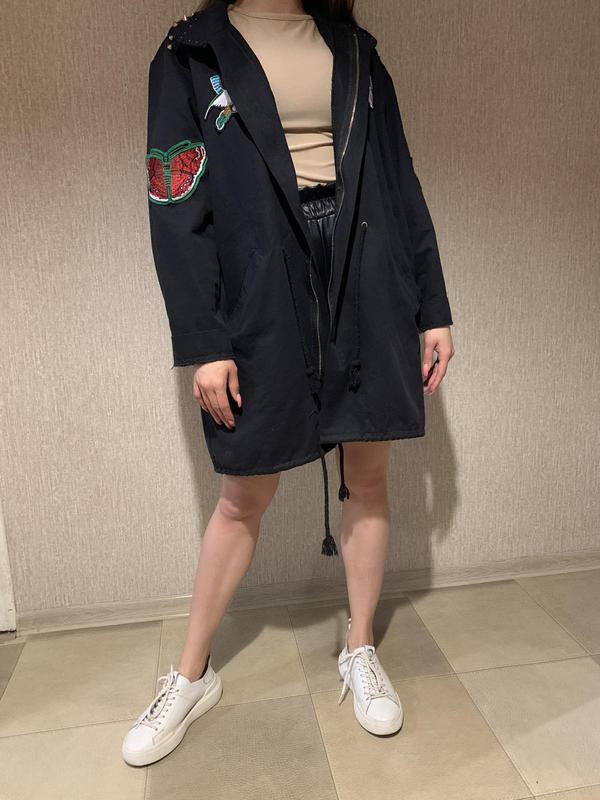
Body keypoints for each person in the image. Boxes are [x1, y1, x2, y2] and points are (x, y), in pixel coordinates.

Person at [122, 0, 455, 766]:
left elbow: (400, 180)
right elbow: (175, 207)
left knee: (367, 473)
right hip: (262, 279)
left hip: (367, 273)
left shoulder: (354, 48)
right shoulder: (190, 53)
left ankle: (360, 647)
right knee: (244, 491)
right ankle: (190, 675)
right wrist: (205, 341)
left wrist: (433, 305)